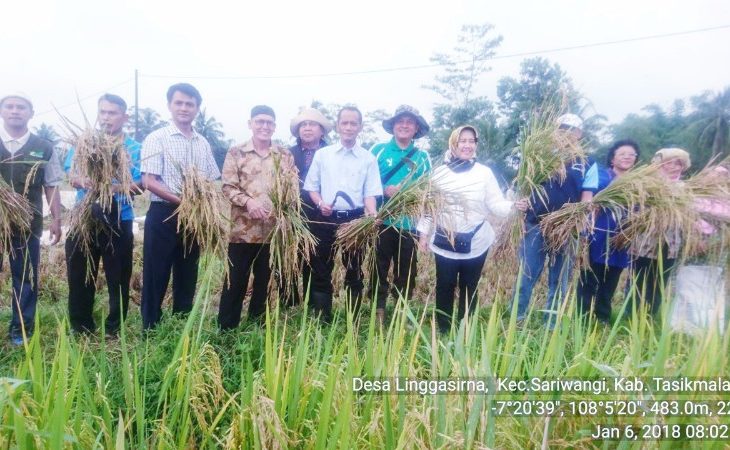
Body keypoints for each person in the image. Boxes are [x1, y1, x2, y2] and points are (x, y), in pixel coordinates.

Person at [417, 126, 514, 333]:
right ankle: (442, 329)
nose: (467, 145)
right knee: (445, 285)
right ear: (454, 144)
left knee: (470, 286)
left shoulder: (484, 173)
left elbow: (496, 203)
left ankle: (465, 329)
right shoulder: (439, 173)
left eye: (471, 141)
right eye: (462, 141)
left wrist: (514, 206)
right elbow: (429, 208)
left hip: (476, 240)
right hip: (445, 240)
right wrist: (423, 234)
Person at [139, 83, 220, 330]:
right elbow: (149, 181)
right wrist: (183, 201)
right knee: (156, 271)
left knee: (187, 270)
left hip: (194, 217)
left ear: (197, 108)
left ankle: (181, 320)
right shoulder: (157, 138)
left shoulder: (202, 142)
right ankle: (150, 324)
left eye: (190, 104)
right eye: (179, 103)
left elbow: (210, 179)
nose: (184, 108)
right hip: (164, 213)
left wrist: (204, 205)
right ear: (170, 106)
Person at [64, 94, 143, 335]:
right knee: (79, 271)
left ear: (124, 117)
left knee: (118, 275)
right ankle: (81, 326)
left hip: (119, 215)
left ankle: (113, 327)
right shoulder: (84, 144)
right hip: (84, 213)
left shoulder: (134, 148)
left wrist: (111, 188)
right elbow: (71, 174)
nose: (106, 118)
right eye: (103, 112)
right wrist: (83, 182)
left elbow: (140, 184)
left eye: (112, 113)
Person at [513, 113, 598, 324]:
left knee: (560, 278)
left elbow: (587, 198)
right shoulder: (538, 154)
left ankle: (551, 322)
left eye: (572, 130)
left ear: (579, 134)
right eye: (562, 128)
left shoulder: (588, 162)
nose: (566, 133)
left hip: (567, 229)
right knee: (528, 273)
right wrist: (521, 206)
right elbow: (523, 187)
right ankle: (517, 316)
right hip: (536, 222)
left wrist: (578, 219)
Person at [218, 105, 297, 329]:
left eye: (269, 123)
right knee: (235, 281)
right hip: (242, 233)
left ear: (274, 126)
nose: (264, 126)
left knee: (265, 283)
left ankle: (257, 327)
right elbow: (228, 187)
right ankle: (226, 329)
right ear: (250, 124)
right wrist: (248, 202)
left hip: (273, 233)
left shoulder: (284, 155)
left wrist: (283, 207)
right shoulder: (236, 152)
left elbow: (292, 189)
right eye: (260, 121)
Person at [303, 106, 382, 322]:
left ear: (360, 127)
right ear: (338, 126)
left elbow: (370, 194)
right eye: (344, 123)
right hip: (325, 219)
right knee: (321, 270)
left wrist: (372, 215)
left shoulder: (368, 158)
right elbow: (311, 188)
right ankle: (322, 320)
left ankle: (351, 321)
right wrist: (320, 204)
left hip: (355, 220)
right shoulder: (323, 155)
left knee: (354, 270)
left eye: (353, 123)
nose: (348, 127)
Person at [0, 93, 63, 345]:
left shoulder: (44, 147)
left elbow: (52, 185)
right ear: (2, 111)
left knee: (25, 276)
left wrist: (56, 219)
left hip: (27, 224)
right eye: (10, 106)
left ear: (30, 113)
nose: (15, 111)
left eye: (21, 107)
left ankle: (21, 331)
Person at [370, 105, 431, 325]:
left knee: (407, 273)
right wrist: (383, 189)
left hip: (410, 225)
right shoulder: (377, 150)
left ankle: (401, 313)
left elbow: (428, 196)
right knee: (378, 268)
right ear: (393, 126)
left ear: (416, 128)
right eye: (400, 121)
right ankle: (378, 312)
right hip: (382, 221)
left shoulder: (423, 157)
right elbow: (364, 183)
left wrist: (424, 233)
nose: (404, 125)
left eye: (410, 122)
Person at [576, 139, 640, 324]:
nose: (627, 157)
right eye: (623, 154)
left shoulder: (639, 182)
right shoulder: (601, 176)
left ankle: (602, 316)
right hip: (598, 233)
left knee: (611, 279)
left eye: (631, 154)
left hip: (622, 237)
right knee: (589, 277)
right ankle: (582, 316)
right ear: (613, 159)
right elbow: (588, 200)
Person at [629, 147, 690, 316]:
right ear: (660, 164)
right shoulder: (646, 184)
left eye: (678, 164)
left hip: (671, 243)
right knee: (639, 279)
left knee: (659, 281)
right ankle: (631, 315)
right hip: (645, 240)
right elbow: (634, 209)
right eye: (669, 163)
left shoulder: (686, 188)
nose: (674, 167)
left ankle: (649, 316)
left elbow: (689, 215)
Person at [285, 107, 333, 306]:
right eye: (303, 125)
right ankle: (288, 303)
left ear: (321, 130)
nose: (307, 128)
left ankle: (315, 306)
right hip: (292, 215)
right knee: (290, 260)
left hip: (322, 216)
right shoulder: (287, 154)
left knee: (319, 262)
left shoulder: (332, 154)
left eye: (312, 124)